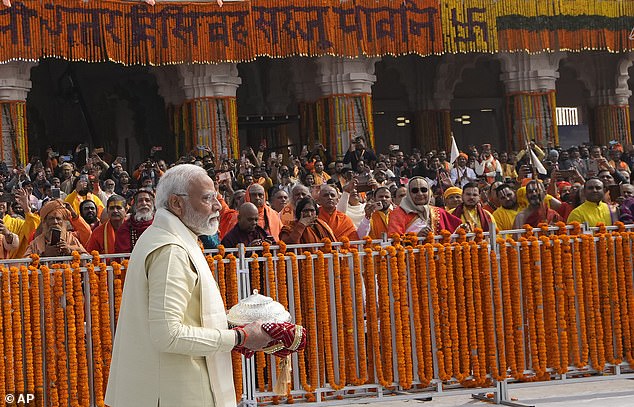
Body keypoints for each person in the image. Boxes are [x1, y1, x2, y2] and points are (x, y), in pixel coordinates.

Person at [106, 164, 272, 407]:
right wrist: (239, 337)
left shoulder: (172, 237)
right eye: (207, 198)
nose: (217, 206)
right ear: (176, 203)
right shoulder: (170, 250)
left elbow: (187, 317)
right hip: (176, 393)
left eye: (216, 197)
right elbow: (168, 335)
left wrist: (235, 327)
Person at [388, 177, 462, 236]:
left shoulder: (438, 212)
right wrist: (416, 236)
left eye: (423, 190)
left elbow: (455, 228)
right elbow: (394, 238)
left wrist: (463, 228)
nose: (420, 194)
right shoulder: (398, 213)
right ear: (409, 194)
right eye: (415, 191)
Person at [114, 188, 155, 253]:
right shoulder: (125, 228)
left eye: (147, 200)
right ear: (135, 205)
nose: (144, 203)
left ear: (152, 204)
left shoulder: (160, 224)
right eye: (140, 201)